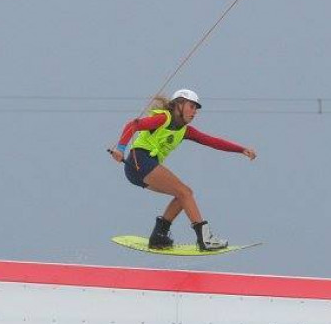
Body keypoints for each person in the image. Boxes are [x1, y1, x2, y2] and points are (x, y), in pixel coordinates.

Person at [109, 89, 257, 251]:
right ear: (179, 104)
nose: (194, 112)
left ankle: (159, 236)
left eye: (196, 109)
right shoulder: (163, 118)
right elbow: (133, 125)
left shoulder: (185, 130)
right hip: (140, 161)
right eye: (191, 106)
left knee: (182, 196)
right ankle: (205, 239)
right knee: (185, 193)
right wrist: (120, 148)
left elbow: (212, 141)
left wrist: (241, 149)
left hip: (140, 170)